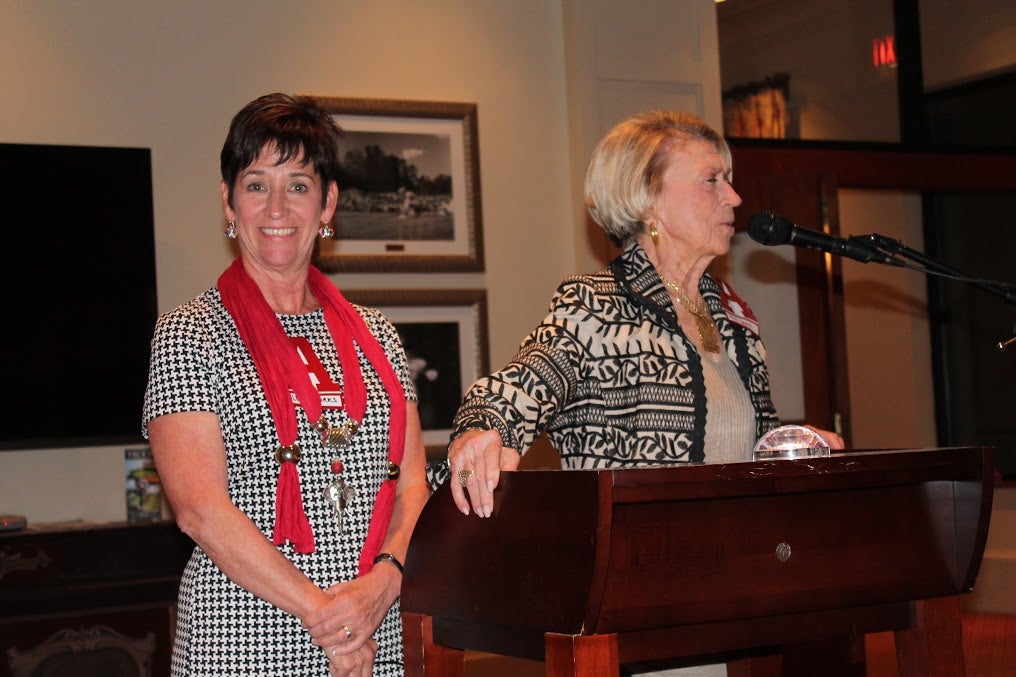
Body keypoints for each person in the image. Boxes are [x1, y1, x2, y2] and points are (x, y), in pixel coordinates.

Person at [143, 93, 430, 676]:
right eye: (256, 184)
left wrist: (383, 585)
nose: (277, 206)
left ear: (328, 204)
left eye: (298, 185)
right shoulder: (189, 334)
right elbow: (200, 511)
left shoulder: (377, 337)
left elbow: (413, 489)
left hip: (376, 636)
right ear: (228, 201)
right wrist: (331, 620)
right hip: (247, 642)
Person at [441, 109, 843, 514]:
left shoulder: (733, 315)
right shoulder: (596, 307)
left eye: (729, 180)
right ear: (649, 200)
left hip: (734, 559)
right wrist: (478, 432)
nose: (734, 197)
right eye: (711, 180)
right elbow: (509, 394)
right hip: (636, 563)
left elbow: (744, 451)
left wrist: (790, 445)